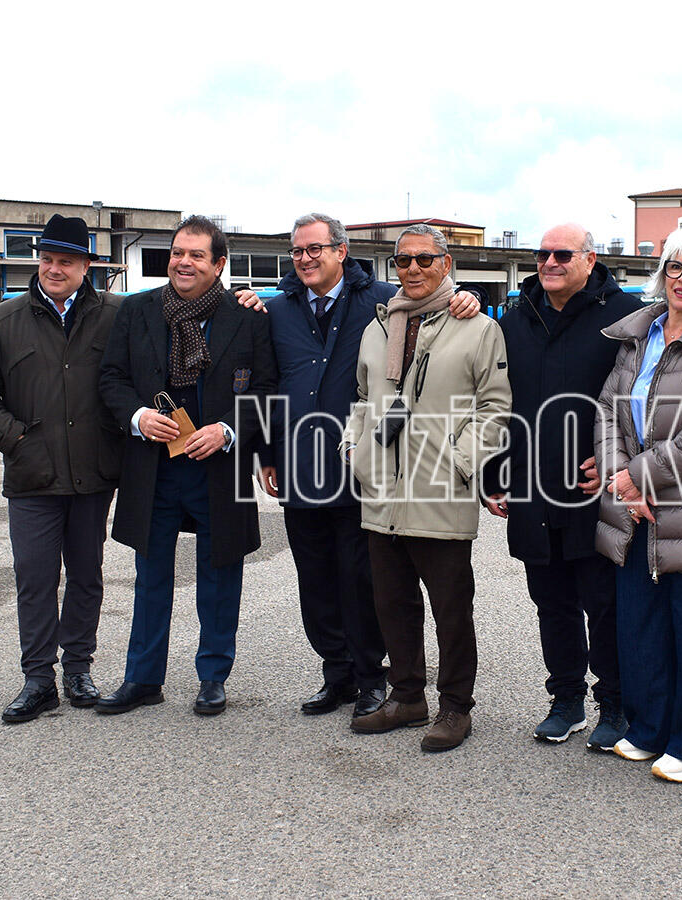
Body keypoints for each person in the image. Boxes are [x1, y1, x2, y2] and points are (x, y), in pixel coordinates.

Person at [250, 214, 481, 720]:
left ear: (341, 250)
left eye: (315, 249)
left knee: (361, 581)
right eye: (297, 251)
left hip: (362, 468)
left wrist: (468, 296)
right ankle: (336, 673)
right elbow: (266, 383)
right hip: (299, 463)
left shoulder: (380, 301)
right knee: (314, 579)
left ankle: (371, 678)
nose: (305, 259)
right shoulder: (278, 310)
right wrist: (267, 453)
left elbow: (429, 295)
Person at [97, 215, 278, 717]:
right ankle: (142, 679)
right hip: (153, 468)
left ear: (219, 264)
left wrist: (227, 428)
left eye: (197, 255)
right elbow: (111, 378)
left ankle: (213, 676)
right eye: (178, 252)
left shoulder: (249, 317)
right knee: (150, 576)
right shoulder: (136, 312)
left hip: (219, 466)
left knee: (220, 575)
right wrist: (136, 417)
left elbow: (267, 389)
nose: (184, 262)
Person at [343, 224, 511, 752]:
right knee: (392, 604)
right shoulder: (378, 326)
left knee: (451, 610)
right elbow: (362, 398)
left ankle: (455, 706)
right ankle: (407, 697)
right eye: (403, 261)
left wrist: (462, 462)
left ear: (446, 263)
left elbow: (496, 408)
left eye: (423, 260)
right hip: (383, 493)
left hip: (441, 490)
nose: (412, 270)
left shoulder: (478, 327)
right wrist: (355, 451)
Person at [482, 223, 638, 750]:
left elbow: (641, 397)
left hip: (593, 487)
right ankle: (566, 698)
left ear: (590, 260)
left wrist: (618, 457)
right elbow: (501, 402)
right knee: (550, 601)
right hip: (530, 485)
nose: (549, 261)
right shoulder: (516, 317)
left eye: (562, 253)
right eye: (543, 253)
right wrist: (495, 472)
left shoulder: (625, 315)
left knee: (604, 601)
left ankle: (615, 703)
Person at [0, 214, 122, 723]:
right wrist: (15, 439)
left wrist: (243, 297)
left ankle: (78, 669)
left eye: (66, 261)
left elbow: (178, 315)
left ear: (86, 266)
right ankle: (38, 678)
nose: (55, 268)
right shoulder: (2, 321)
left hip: (93, 474)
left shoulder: (117, 316)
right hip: (32, 476)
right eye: (47, 259)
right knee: (34, 576)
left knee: (87, 575)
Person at [592, 227, 682, 782]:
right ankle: (650, 729)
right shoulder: (638, 334)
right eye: (675, 268)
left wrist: (638, 476)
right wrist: (620, 480)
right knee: (642, 626)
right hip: (633, 508)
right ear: (662, 275)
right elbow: (605, 410)